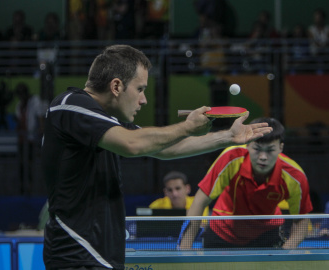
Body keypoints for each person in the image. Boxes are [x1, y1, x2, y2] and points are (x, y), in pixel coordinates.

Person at [41, 44, 272, 270]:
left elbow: (164, 148)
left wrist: (227, 137)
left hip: (100, 257)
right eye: (140, 89)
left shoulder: (106, 123)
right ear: (116, 86)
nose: (144, 100)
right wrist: (187, 127)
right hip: (75, 257)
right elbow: (132, 144)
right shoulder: (69, 105)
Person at [179, 117, 313, 250]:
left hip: (266, 234)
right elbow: (199, 201)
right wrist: (185, 249)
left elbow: (301, 219)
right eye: (257, 149)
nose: (263, 157)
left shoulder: (295, 176)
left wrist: (288, 249)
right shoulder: (231, 158)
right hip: (223, 231)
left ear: (280, 147)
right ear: (248, 144)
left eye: (270, 150)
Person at [15, 82, 47, 195]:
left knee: (29, 163)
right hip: (22, 139)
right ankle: (22, 186)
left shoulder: (34, 101)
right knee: (22, 164)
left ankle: (30, 186)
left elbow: (40, 115)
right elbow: (19, 120)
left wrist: (41, 128)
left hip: (31, 139)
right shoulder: (20, 105)